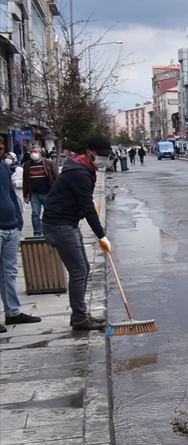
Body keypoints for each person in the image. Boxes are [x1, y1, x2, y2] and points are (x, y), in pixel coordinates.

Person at [41, 135, 113, 331]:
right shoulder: (80, 173)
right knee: (79, 271)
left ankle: (79, 313)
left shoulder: (84, 168)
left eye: (107, 156)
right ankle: (80, 318)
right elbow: (87, 208)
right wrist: (101, 235)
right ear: (89, 153)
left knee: (84, 268)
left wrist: (90, 202)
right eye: (101, 156)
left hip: (67, 223)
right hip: (59, 225)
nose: (104, 160)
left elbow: (85, 201)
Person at [1, 144, 41, 332]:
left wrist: (17, 220)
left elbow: (9, 193)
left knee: (9, 273)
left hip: (10, 227)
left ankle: (13, 312)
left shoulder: (3, 167)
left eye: (1, 147)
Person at [22, 144, 58, 236]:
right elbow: (25, 181)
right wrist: (25, 194)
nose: (33, 154)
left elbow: (56, 178)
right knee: (35, 214)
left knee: (49, 214)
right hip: (34, 194)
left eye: (35, 152)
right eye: (31, 152)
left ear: (40, 153)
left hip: (47, 193)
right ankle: (37, 233)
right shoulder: (27, 165)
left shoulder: (48, 163)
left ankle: (49, 232)